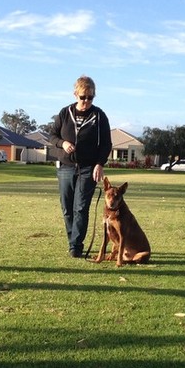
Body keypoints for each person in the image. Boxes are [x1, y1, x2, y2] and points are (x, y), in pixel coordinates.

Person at [46, 75, 112, 257]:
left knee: (81, 208)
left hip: (88, 169)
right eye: (83, 97)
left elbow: (106, 144)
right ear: (75, 94)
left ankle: (76, 246)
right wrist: (62, 144)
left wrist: (99, 164)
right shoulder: (64, 113)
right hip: (66, 167)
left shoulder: (99, 116)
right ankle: (72, 242)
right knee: (67, 208)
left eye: (90, 97)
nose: (86, 101)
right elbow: (52, 136)